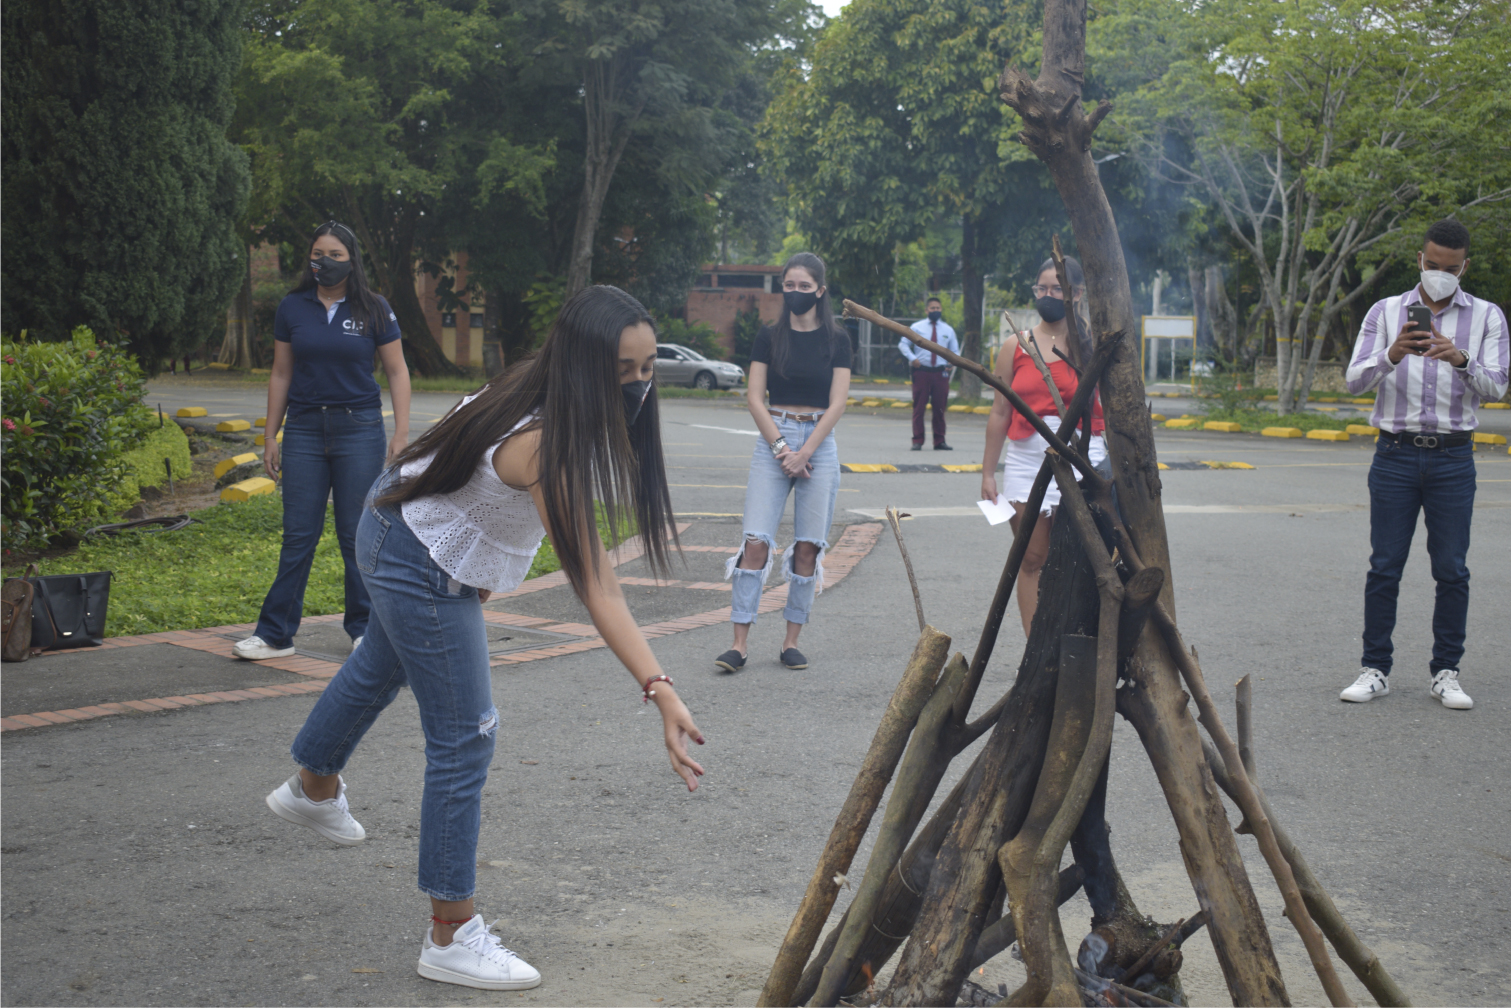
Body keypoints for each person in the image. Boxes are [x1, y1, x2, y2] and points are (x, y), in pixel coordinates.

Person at [262, 285, 706, 991]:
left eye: (648, 368)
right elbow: (598, 585)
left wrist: (480, 571)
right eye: (622, 370)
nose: (639, 384)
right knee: (465, 737)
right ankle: (450, 933)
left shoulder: (534, 383)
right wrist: (660, 688)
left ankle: (312, 788)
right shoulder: (545, 439)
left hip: (395, 525)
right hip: (417, 558)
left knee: (380, 665)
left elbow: (471, 485)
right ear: (583, 366)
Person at [1339, 219, 1508, 710]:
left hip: (1453, 457)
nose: (1439, 274)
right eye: (1432, 265)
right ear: (1420, 259)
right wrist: (1391, 354)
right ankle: (1375, 669)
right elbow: (1354, 380)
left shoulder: (1487, 316)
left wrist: (1461, 360)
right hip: (1394, 453)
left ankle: (1446, 673)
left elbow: (1498, 386)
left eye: (1450, 269)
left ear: (1464, 267)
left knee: (1452, 569)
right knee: (1384, 567)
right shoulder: (1386, 311)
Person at [233, 222, 412, 661]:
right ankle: (275, 635)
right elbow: (281, 373)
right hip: (304, 430)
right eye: (317, 254)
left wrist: (401, 434)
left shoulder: (373, 308)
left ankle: (365, 631)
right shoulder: (292, 306)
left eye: (335, 255)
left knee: (356, 535)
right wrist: (270, 435)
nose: (324, 262)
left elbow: (397, 370)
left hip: (359, 429)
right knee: (298, 536)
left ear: (351, 260)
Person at [715, 252, 851, 673]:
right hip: (773, 439)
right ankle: (738, 644)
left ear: (820, 290)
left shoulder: (838, 339)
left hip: (818, 444)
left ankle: (791, 642)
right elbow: (755, 398)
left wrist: (805, 451)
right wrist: (781, 449)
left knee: (808, 547)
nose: (795, 292)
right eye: (789, 285)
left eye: (804, 286)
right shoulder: (769, 337)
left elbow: (838, 402)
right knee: (755, 541)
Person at [978, 255, 1106, 635]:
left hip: (1083, 461)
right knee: (1032, 558)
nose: (1047, 296)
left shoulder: (1092, 345)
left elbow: (1112, 410)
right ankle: (1035, 651)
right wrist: (988, 473)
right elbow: (1000, 412)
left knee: (1082, 559)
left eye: (1056, 289)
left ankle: (1076, 643)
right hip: (1025, 463)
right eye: (1041, 288)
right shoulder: (1015, 345)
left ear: (1076, 294)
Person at [900, 296, 958, 450]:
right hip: (922, 372)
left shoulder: (948, 330)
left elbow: (955, 350)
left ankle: (939, 441)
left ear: (941, 310)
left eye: (938, 308)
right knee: (919, 408)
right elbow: (903, 344)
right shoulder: (916, 327)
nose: (935, 311)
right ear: (926, 310)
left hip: (940, 373)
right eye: (932, 308)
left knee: (940, 408)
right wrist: (912, 358)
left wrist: (952, 362)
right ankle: (917, 441)